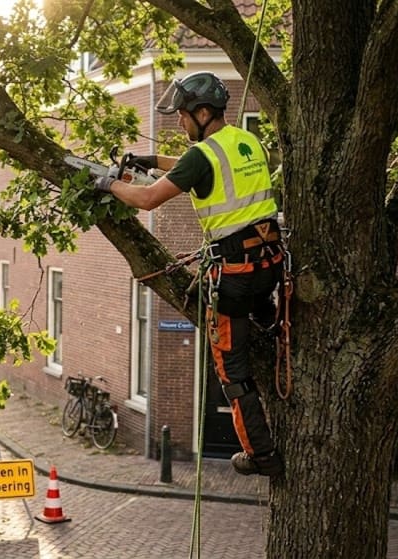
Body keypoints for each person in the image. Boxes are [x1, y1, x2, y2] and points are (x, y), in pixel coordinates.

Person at [93, 71, 285, 478]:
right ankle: (266, 318)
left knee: (232, 373)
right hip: (270, 265)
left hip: (235, 276)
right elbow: (195, 166)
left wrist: (110, 184)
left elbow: (147, 198)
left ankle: (261, 454)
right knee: (239, 304)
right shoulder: (248, 143)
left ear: (201, 113)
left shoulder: (203, 156)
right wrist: (150, 162)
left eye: (182, 115)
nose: (179, 123)